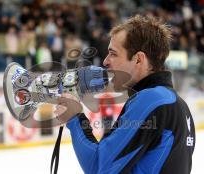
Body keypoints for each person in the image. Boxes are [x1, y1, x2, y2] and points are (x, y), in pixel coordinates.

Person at [55, 15, 195, 173]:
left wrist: (74, 118)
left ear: (138, 59)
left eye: (113, 53)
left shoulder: (151, 100)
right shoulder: (178, 104)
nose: (105, 61)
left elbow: (100, 168)